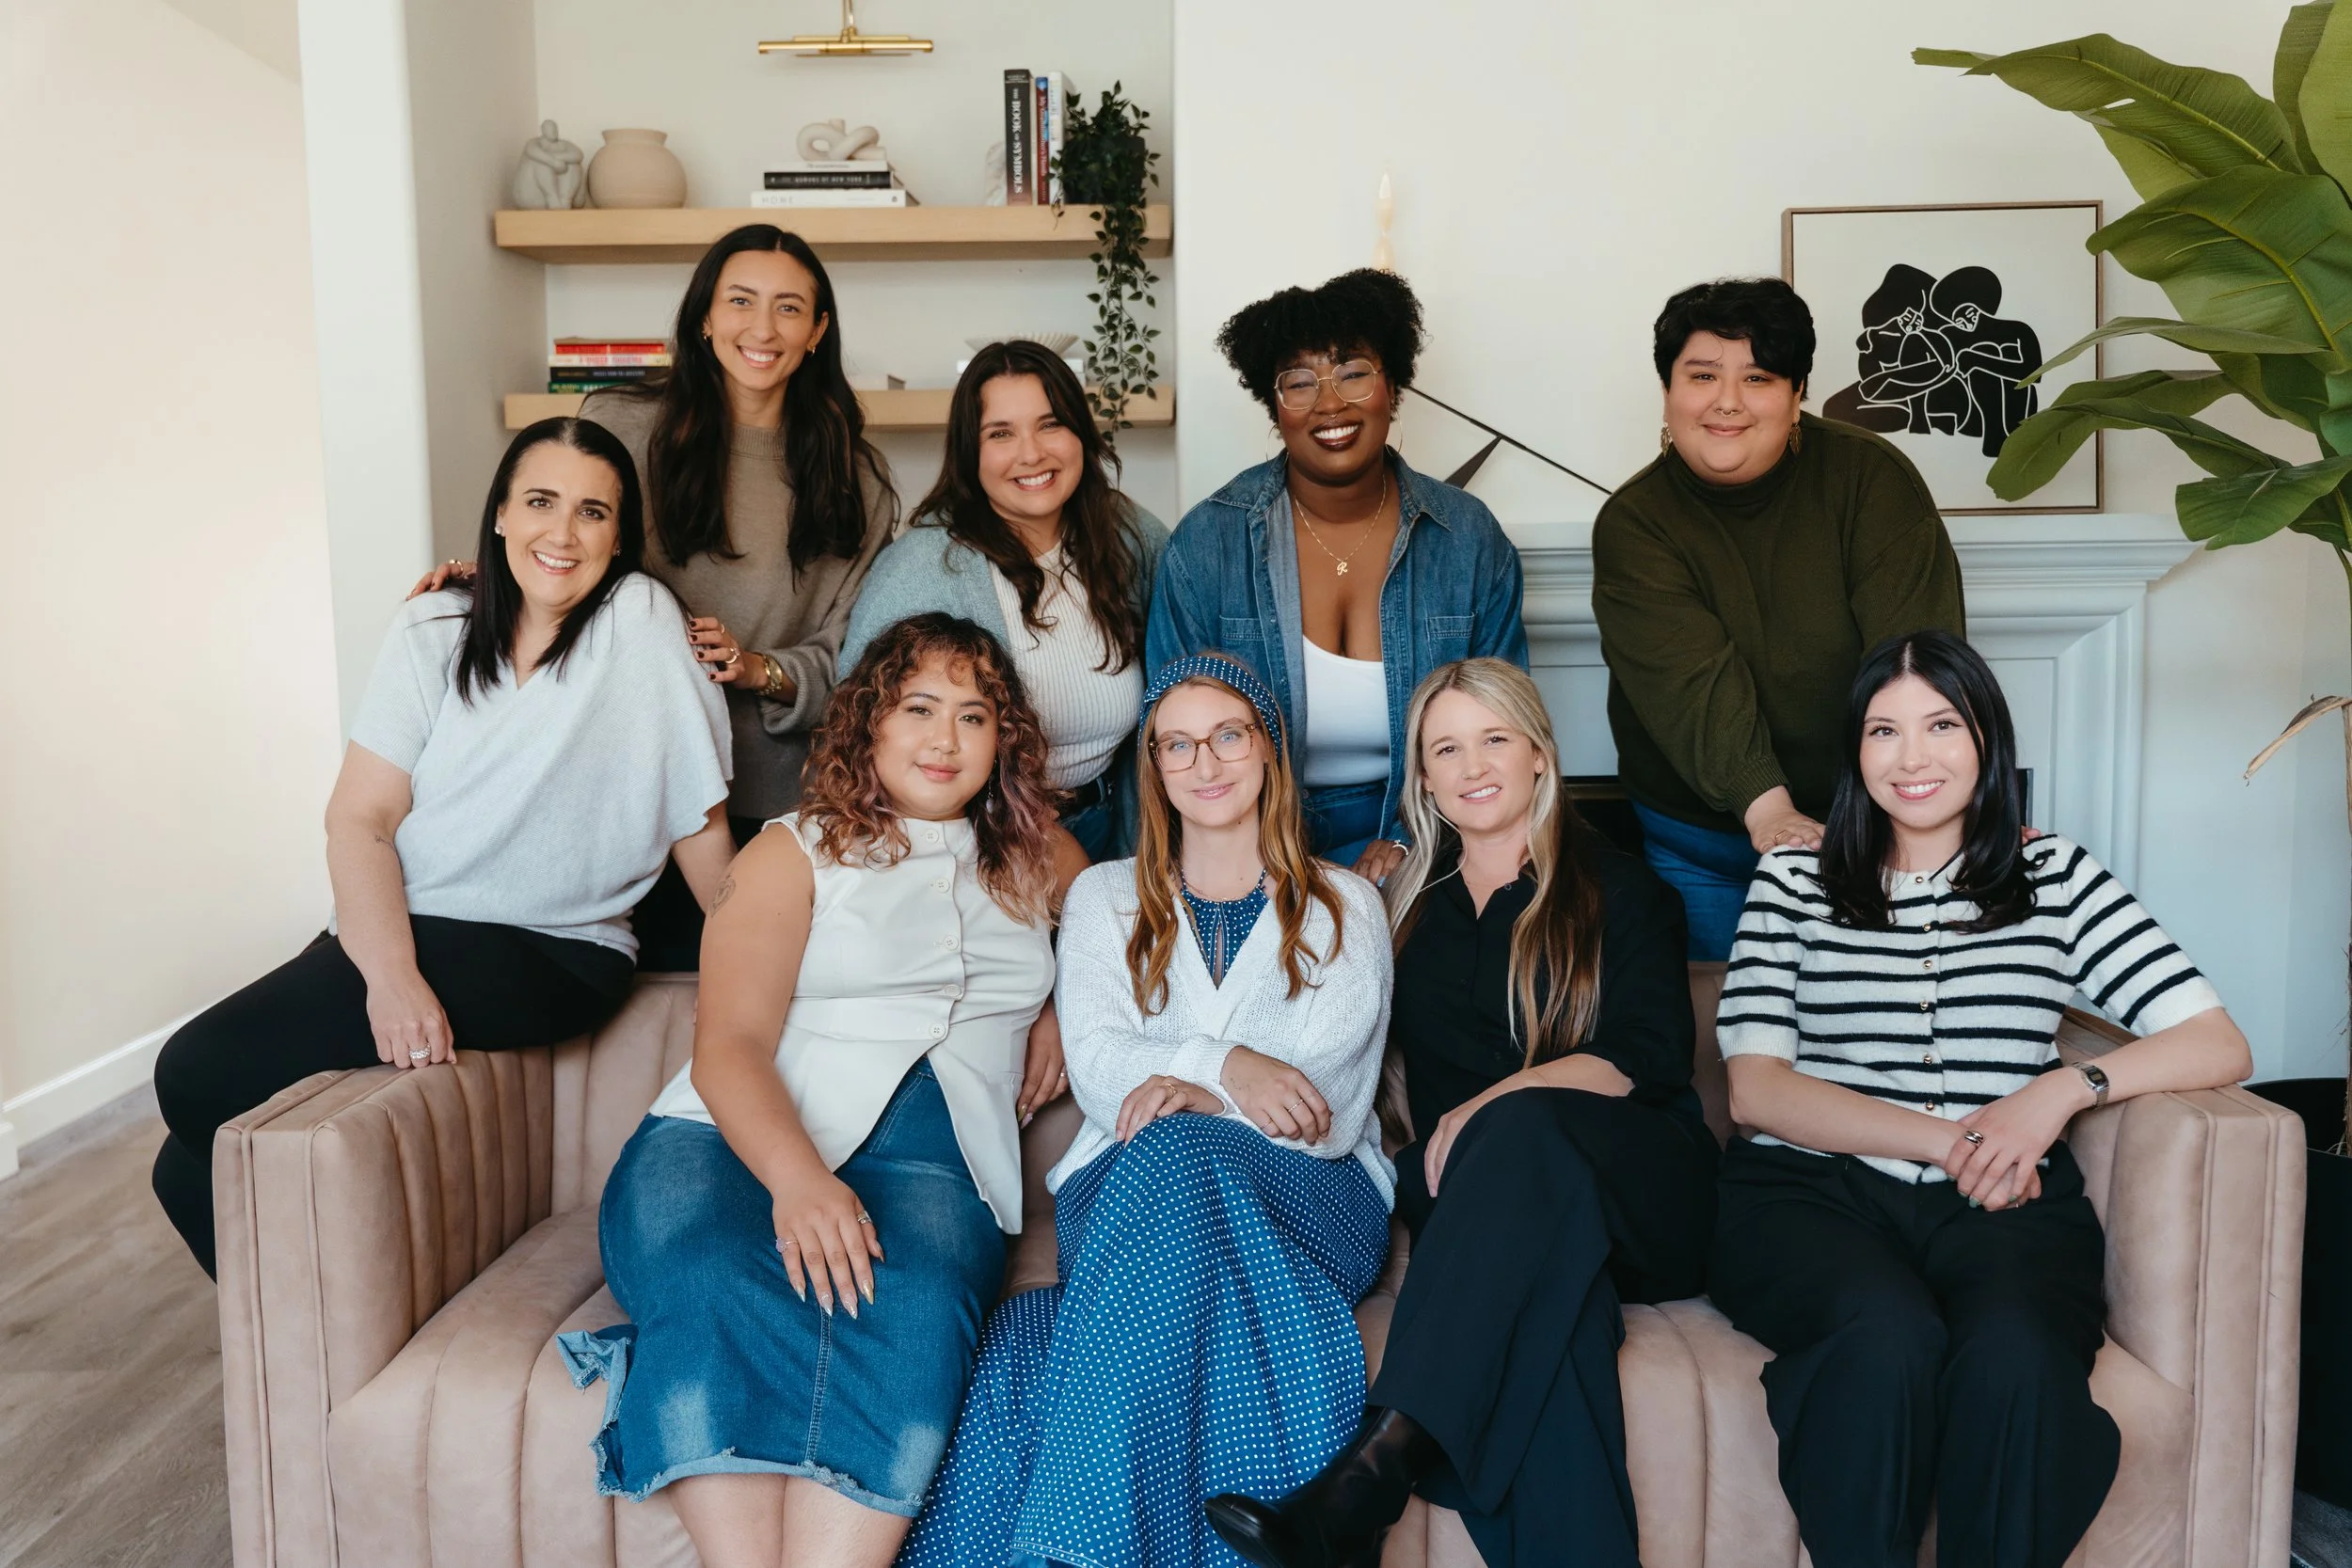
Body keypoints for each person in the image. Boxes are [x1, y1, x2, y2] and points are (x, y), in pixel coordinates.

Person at [1708, 629, 2252, 1568]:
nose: (1912, 757)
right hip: (1810, 1195)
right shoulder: (1794, 880)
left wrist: (2062, 1087)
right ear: (1854, 753)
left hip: (2009, 1201)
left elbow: (2217, 1040)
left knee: (2017, 1362)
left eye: (1940, 725)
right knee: (1884, 1341)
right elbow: (1756, 1089)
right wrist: (1946, 1139)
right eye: (1883, 731)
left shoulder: (2058, 877)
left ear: (1987, 742)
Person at [151, 419, 736, 1276]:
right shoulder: (432, 624)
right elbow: (360, 819)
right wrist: (390, 976)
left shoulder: (640, 622)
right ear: (499, 514)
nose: (562, 533)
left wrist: (768, 964)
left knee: (191, 1071)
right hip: (411, 924)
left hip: (554, 952)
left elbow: (700, 824)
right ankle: (306, 1341)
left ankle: (307, 1353)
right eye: (539, 502)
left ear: (620, 537)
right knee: (180, 1165)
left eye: (592, 512)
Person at [557, 613, 1083, 1568]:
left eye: (974, 716)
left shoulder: (1042, 856)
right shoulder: (788, 853)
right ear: (867, 725)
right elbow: (730, 1049)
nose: (944, 737)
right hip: (727, 1144)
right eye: (918, 708)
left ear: (1003, 739)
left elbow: (1124, 940)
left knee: (917, 1304)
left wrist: (1058, 1013)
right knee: (717, 1274)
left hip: (940, 1162)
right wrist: (798, 1182)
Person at [1205, 659, 1717, 1568]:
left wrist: (1489, 1104)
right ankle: (1359, 1506)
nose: (1474, 764)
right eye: (1447, 747)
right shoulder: (1397, 910)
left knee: (1519, 1134)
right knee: (1553, 1338)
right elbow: (1295, 1027)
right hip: (1487, 1214)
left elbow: (1645, 1059)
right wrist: (1198, 1069)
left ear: (1537, 754)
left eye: (1494, 739)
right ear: (1425, 777)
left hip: (1639, 1185)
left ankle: (1375, 1468)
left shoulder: (1624, 888)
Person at [902, 652, 1394, 1568]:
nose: (1203, 762)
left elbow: (1322, 1101)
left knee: (1037, 1327)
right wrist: (1230, 1065)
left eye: (1227, 735)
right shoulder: (1101, 896)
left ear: (1269, 749)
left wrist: (1194, 1090)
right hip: (1123, 1187)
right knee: (1148, 1173)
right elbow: (1097, 1065)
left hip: (1311, 1195)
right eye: (1177, 743)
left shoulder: (1345, 903)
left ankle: (1067, 1552)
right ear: (1155, 768)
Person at [415, 224, 898, 966]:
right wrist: (480, 576)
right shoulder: (621, 425)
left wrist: (758, 667)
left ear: (818, 330)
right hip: (615, 787)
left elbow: (855, 656)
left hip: (770, 797)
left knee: (764, 989)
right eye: (740, 301)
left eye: (790, 308)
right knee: (623, 1009)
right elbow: (561, 544)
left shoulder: (857, 478)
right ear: (705, 315)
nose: (762, 328)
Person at [1591, 277, 1964, 961]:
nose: (1726, 401)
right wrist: (1769, 811)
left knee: (1866, 1039)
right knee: (1718, 1047)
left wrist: (1921, 819)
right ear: (1669, 392)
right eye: (1702, 375)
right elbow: (1694, 684)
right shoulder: (1636, 523)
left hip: (1873, 826)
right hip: (1698, 839)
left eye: (1758, 377)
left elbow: (1915, 664)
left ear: (1796, 398)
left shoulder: (1869, 481)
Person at [1148, 269, 1528, 881]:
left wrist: (1409, 842)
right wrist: (1266, 858)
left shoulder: (1468, 539)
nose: (1330, 403)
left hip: (1432, 827)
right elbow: (1167, 734)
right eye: (1299, 382)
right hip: (1249, 834)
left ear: (1393, 387)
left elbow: (1506, 726)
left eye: (1353, 372)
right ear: (1274, 407)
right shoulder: (1207, 545)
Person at [840, 339, 1168, 861]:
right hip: (975, 845)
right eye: (1001, 433)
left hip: (1115, 827)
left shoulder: (1128, 537)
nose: (1032, 453)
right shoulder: (925, 565)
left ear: (1081, 432)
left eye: (1050, 423)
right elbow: (859, 728)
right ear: (971, 453)